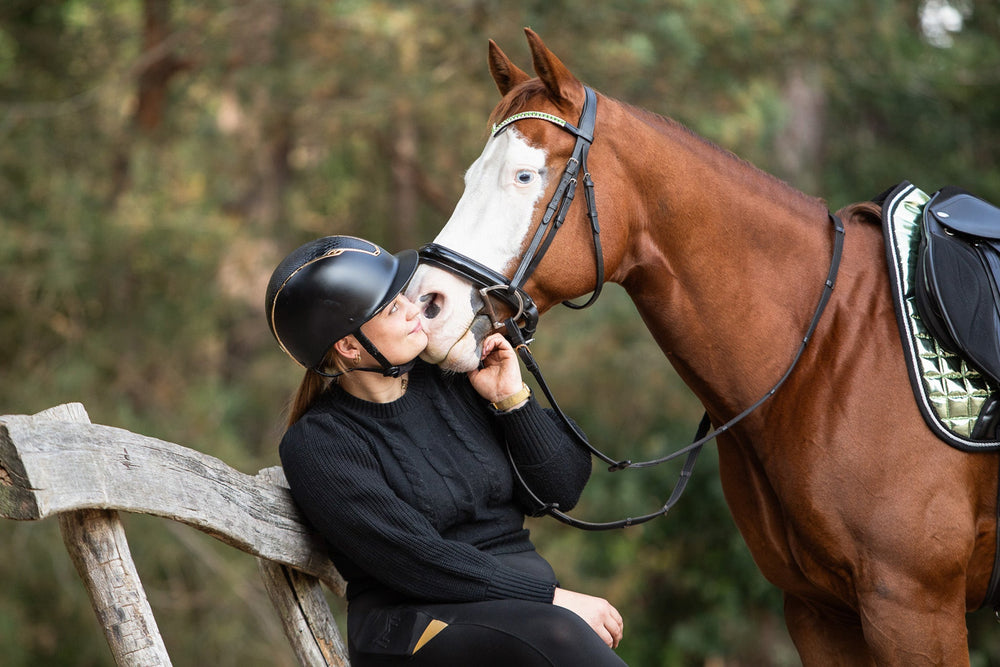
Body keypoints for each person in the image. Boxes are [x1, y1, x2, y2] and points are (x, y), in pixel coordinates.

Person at [265, 235, 626, 666]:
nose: (416, 310)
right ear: (349, 345)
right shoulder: (320, 444)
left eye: (406, 297)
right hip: (413, 628)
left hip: (521, 613)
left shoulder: (454, 379)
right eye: (394, 308)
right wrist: (552, 599)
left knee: (557, 635)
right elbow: (416, 560)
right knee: (561, 636)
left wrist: (512, 400)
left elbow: (561, 489)